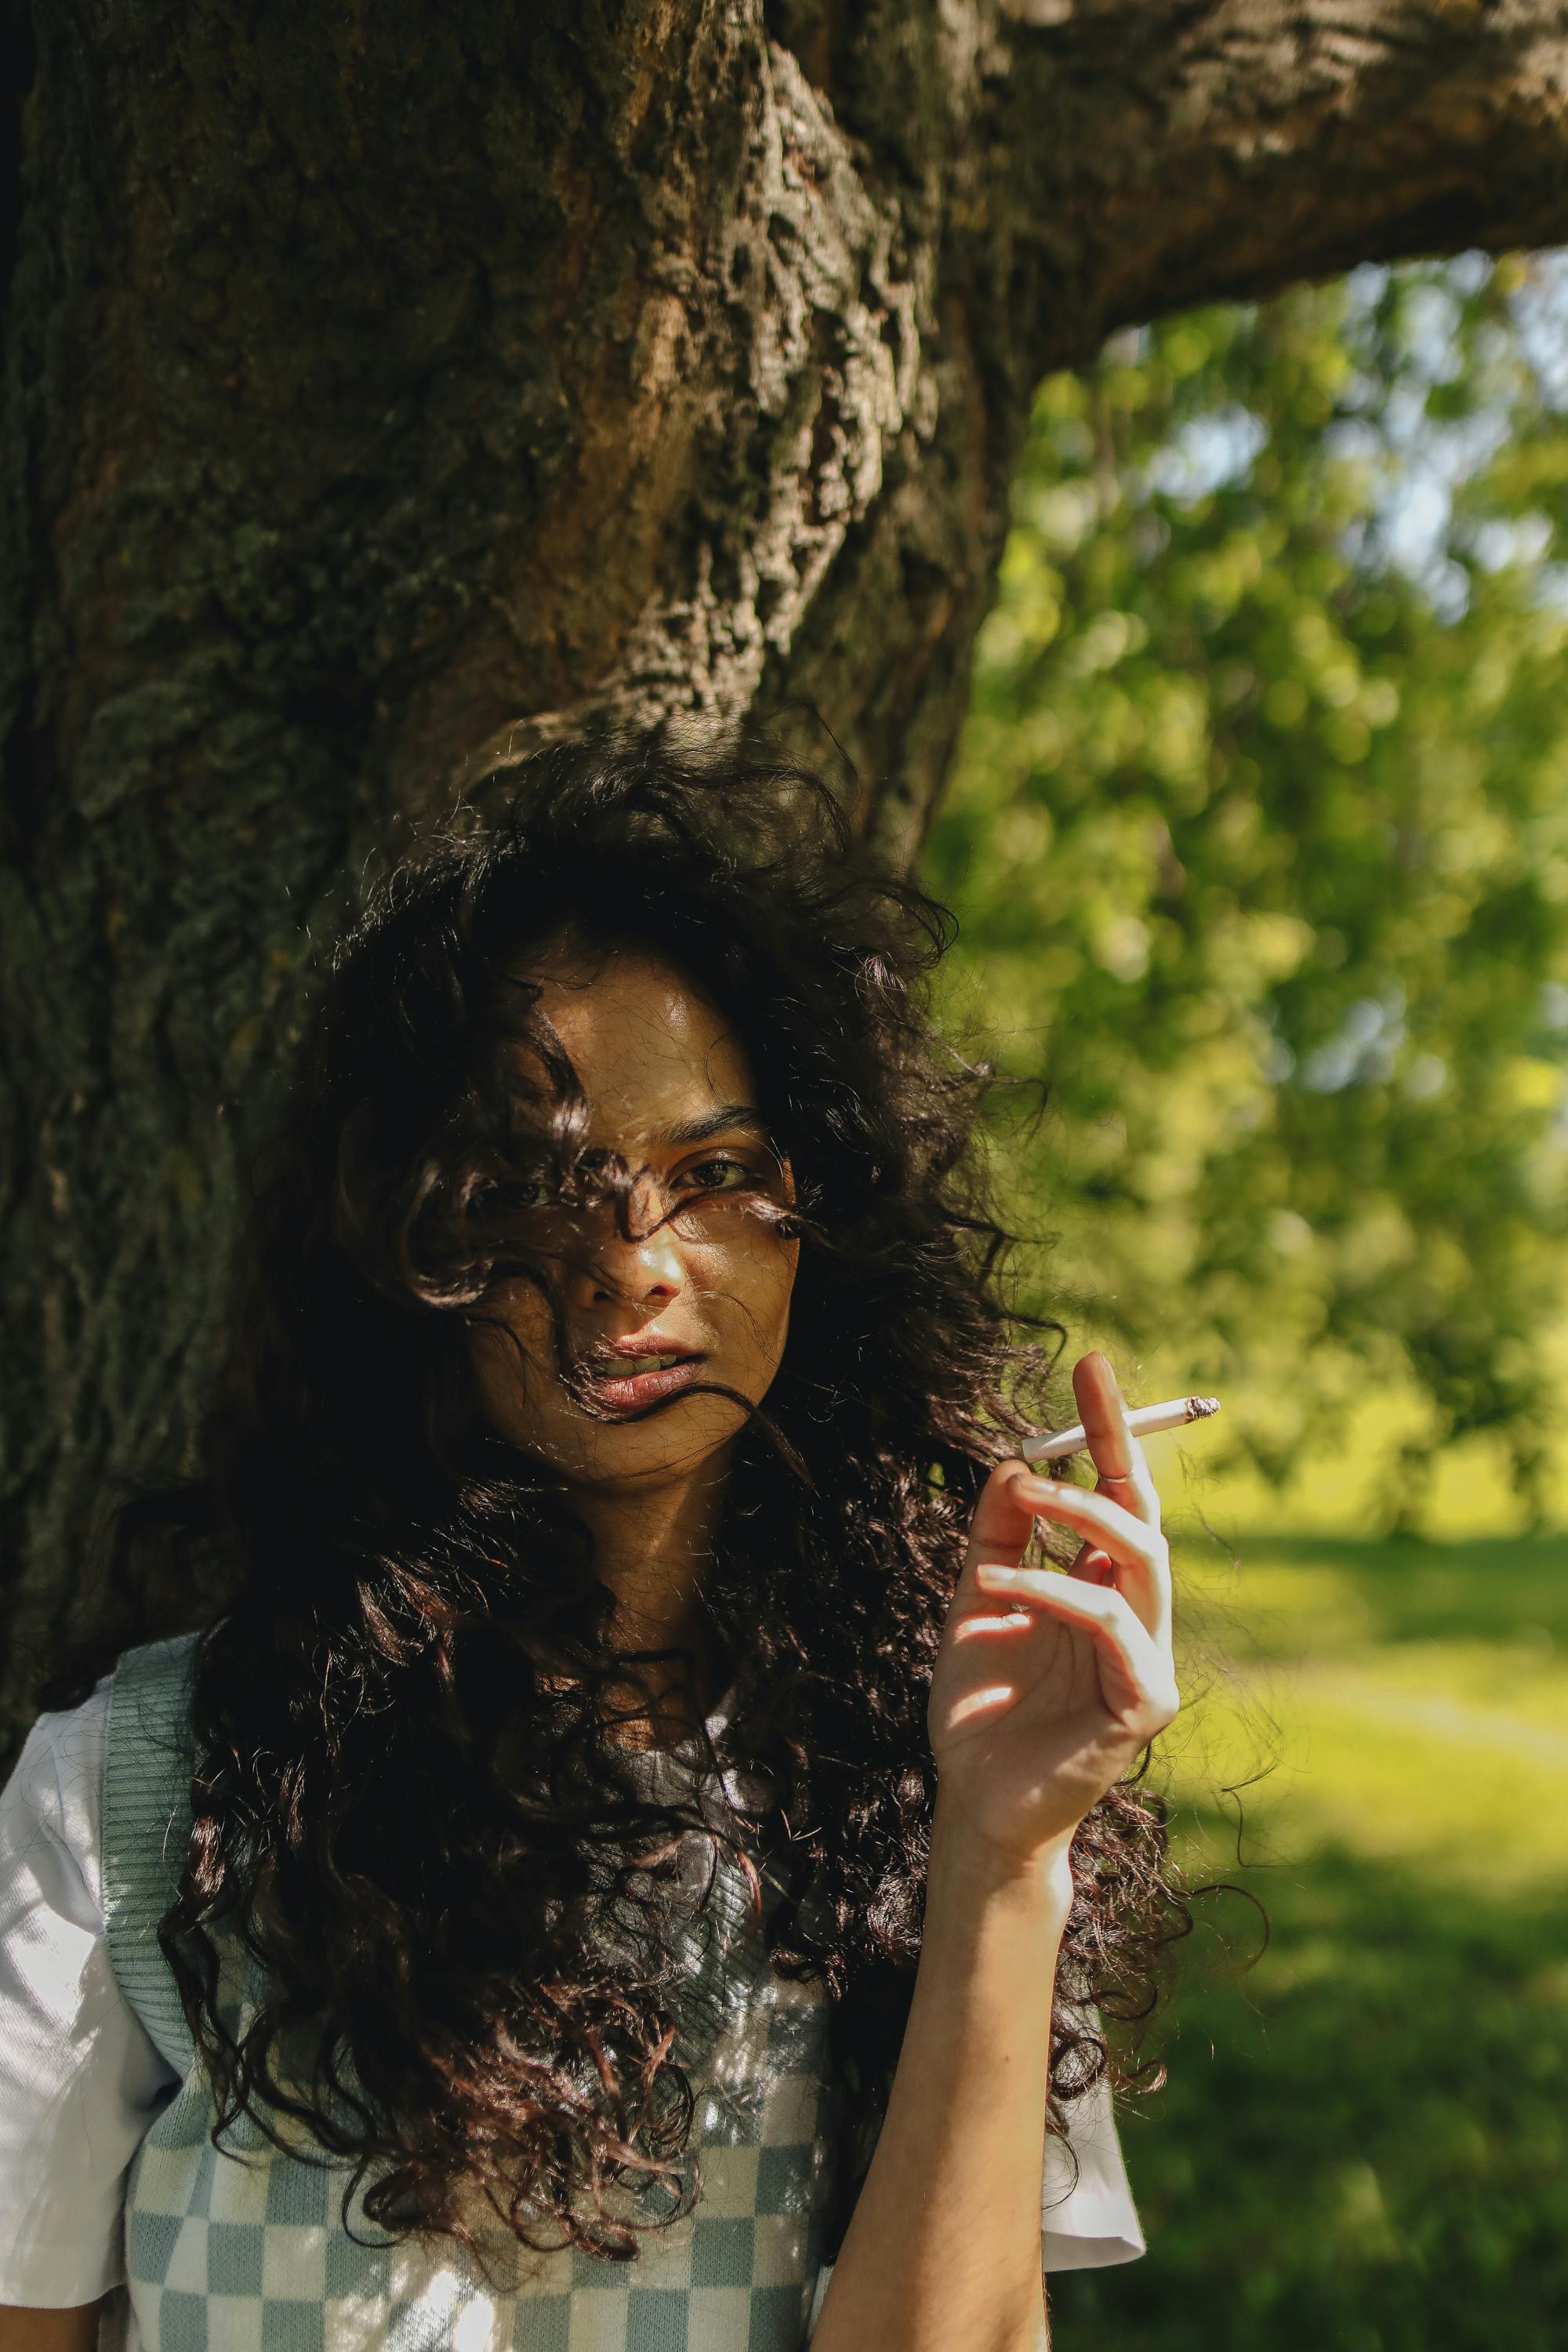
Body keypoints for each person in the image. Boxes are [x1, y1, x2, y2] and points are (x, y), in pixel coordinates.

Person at [0, 730, 1186, 2351]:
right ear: (409, 1226)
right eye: (543, 1181)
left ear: (814, 1221)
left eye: (715, 1175)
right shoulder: (143, 1795)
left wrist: (1004, 1850)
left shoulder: (905, 1788)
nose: (636, 1265)